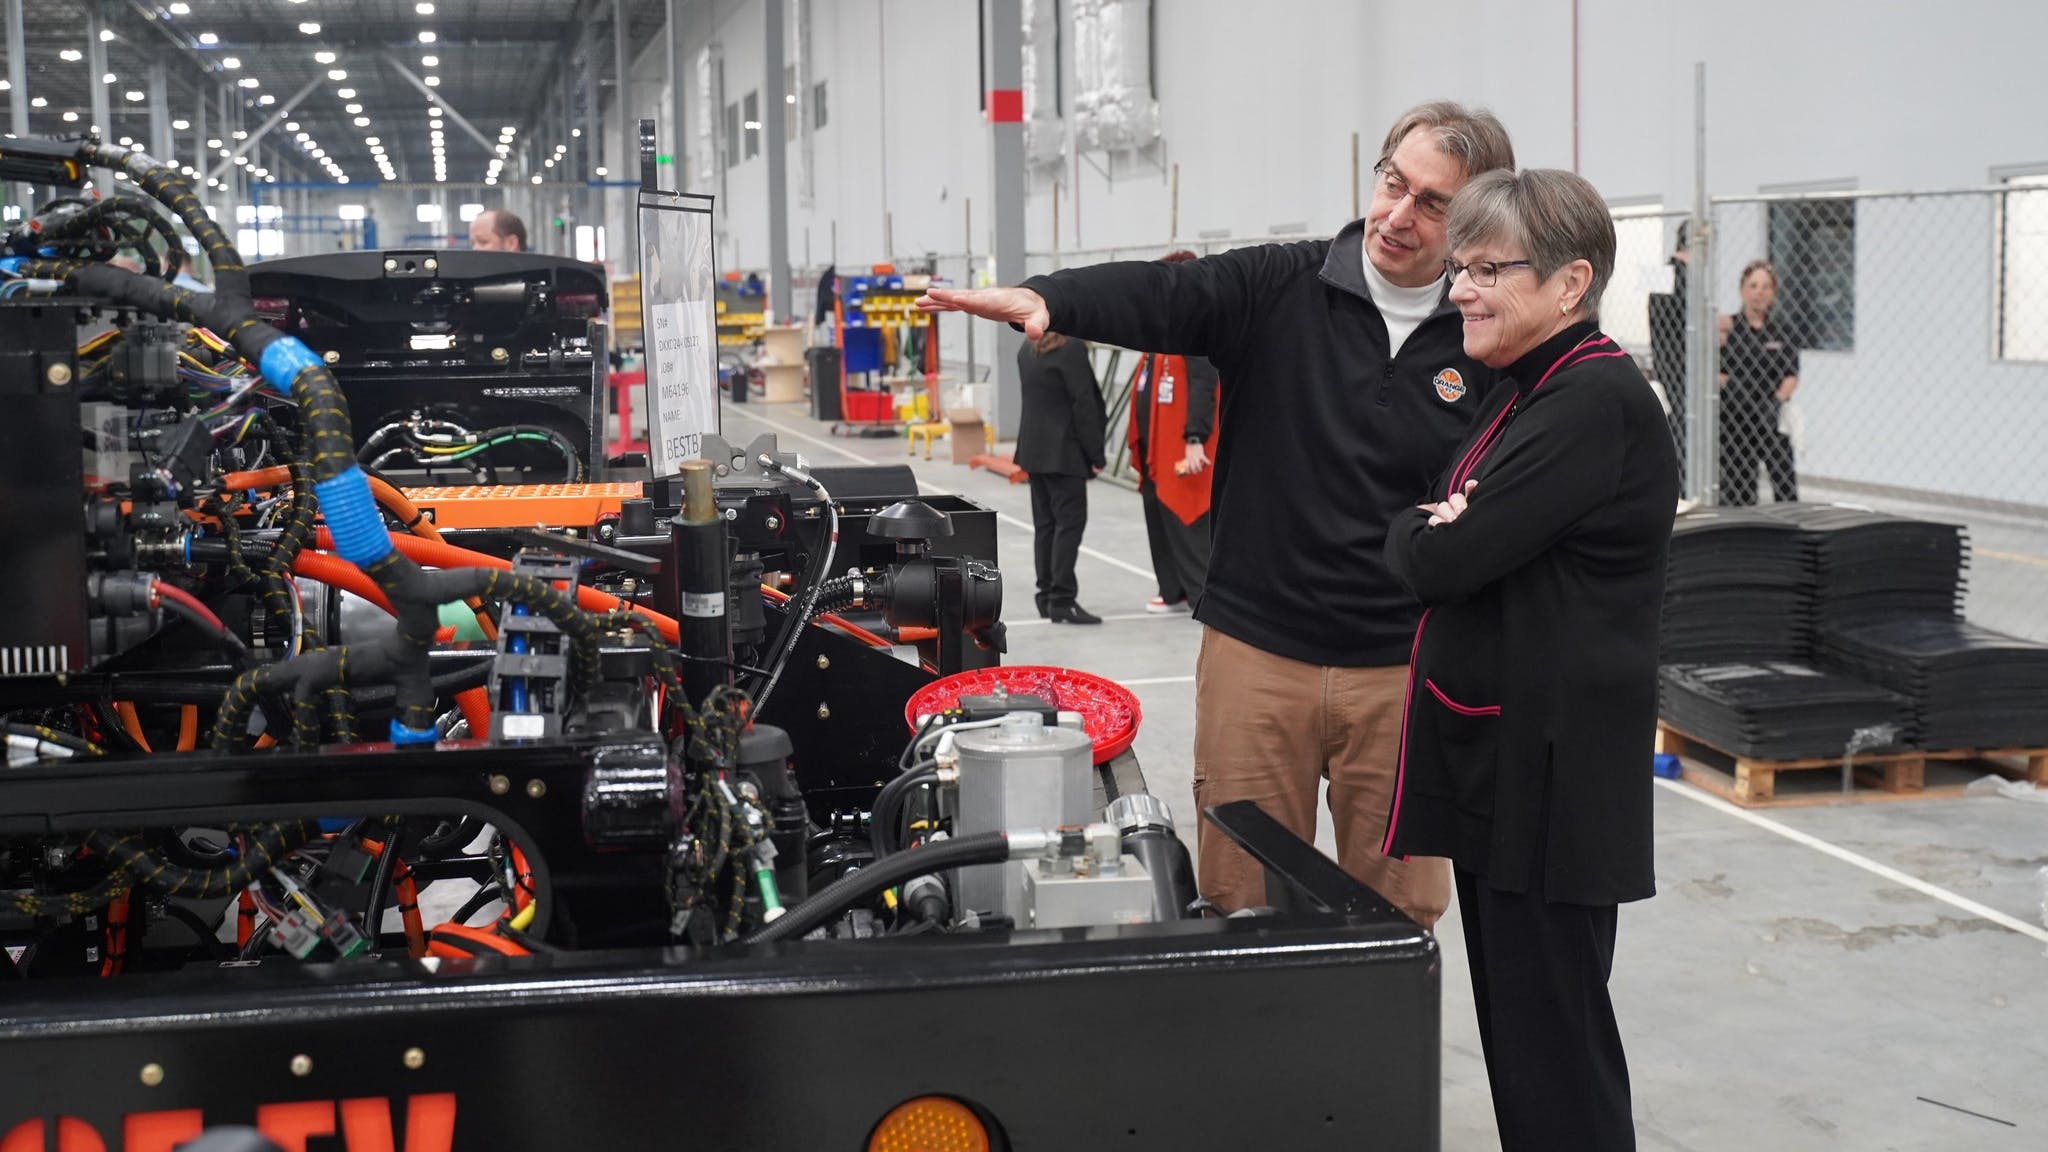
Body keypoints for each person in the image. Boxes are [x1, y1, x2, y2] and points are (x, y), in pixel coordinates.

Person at [917, 101, 1514, 926]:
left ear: (1473, 221)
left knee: (1397, 914)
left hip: (1403, 670)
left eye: (1433, 203)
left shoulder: (1486, 335)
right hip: (1258, 656)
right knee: (1242, 901)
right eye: (1392, 183)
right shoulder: (1282, 286)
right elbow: (1171, 293)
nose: (1398, 214)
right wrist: (1048, 297)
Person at [1381, 168, 1678, 1151]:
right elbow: (1444, 525)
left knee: (1553, 1050)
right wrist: (1433, 522)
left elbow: (1442, 558)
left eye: (1486, 270)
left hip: (1550, 781)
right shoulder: (1529, 389)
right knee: (1525, 1038)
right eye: (1459, 269)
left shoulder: (1588, 401)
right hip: (1513, 768)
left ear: (1568, 282)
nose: (1461, 290)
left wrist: (1426, 529)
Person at [1125, 250, 1220, 614]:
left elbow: (1202, 384)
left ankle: (1202, 598)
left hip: (1183, 446)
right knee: (1160, 519)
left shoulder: (1196, 329)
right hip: (1155, 449)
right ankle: (1173, 589)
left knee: (1188, 520)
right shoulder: (1164, 329)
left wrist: (1195, 438)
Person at [1014, 331, 1107, 625]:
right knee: (1069, 525)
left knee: (1046, 526)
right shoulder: (1071, 349)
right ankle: (1062, 599)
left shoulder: (1027, 349)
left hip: (1034, 451)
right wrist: (1096, 454)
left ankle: (1046, 596)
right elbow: (1084, 403)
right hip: (1064, 453)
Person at [1717, 259, 1799, 504]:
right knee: (1738, 489)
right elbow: (1716, 371)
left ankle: (1787, 523)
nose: (1759, 292)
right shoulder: (1727, 328)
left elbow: (1791, 375)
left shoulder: (1782, 331)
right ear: (1742, 290)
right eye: (1753, 286)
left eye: (1765, 287)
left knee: (1784, 484)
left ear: (1773, 293)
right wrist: (1732, 386)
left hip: (1769, 416)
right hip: (1735, 417)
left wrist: (1776, 401)